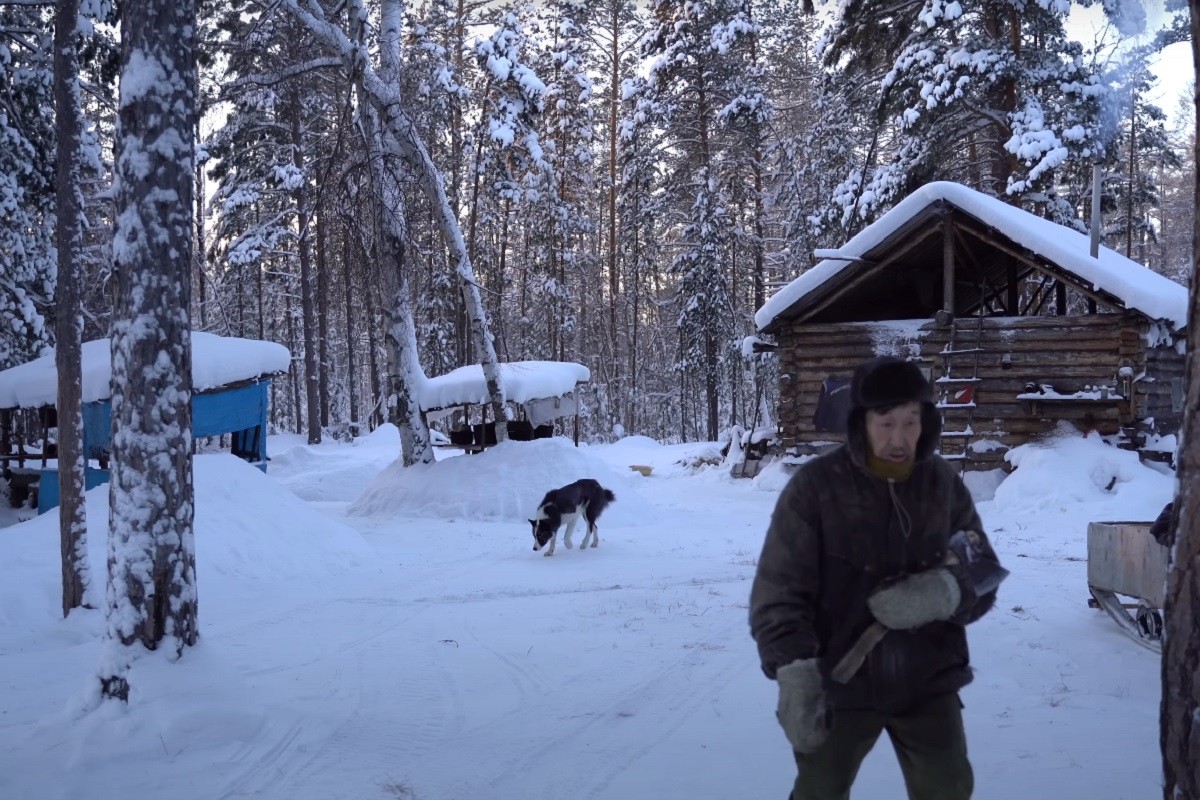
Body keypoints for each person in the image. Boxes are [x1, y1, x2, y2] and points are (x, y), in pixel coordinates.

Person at [750, 355, 1002, 800]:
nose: (899, 438)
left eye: (911, 421)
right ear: (860, 422)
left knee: (949, 789)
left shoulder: (942, 484)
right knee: (818, 791)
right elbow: (779, 590)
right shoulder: (815, 488)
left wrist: (945, 592)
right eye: (886, 422)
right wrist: (794, 671)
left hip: (929, 677)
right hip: (840, 678)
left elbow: (982, 568)